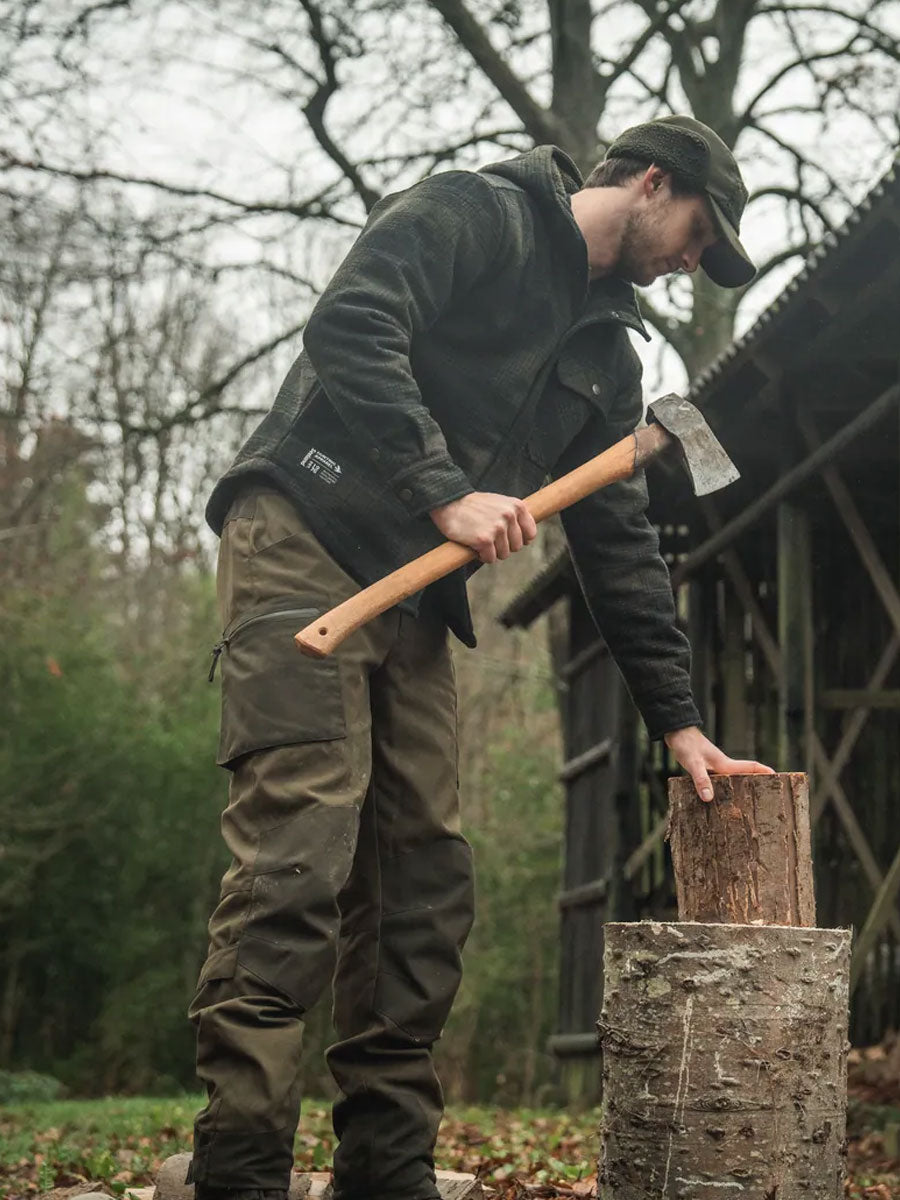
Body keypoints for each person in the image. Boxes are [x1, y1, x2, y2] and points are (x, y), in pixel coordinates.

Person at [188, 114, 773, 1200]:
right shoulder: (479, 213)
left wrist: (680, 720)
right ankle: (240, 1167)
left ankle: (388, 1171)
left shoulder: (610, 360)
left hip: (412, 599)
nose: (699, 258)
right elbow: (351, 325)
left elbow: (623, 551)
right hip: (307, 536)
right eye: (702, 230)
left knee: (424, 877)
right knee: (301, 852)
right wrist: (442, 489)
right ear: (653, 182)